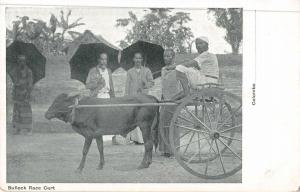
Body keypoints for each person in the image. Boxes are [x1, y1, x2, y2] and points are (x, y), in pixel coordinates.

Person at [85, 52, 118, 144]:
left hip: (107, 96)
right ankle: (98, 137)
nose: (104, 61)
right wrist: (97, 83)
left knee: (109, 116)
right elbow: (87, 85)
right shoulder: (93, 71)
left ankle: (111, 138)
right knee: (98, 118)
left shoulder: (109, 71)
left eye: (105, 59)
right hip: (97, 97)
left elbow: (111, 86)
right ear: (98, 60)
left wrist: (113, 99)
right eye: (102, 59)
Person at [125, 52, 154, 144]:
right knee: (134, 117)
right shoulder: (130, 72)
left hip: (143, 98)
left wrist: (145, 83)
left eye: (139, 58)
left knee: (142, 117)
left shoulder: (147, 71)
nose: (138, 60)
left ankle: (143, 139)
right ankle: (135, 139)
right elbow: (127, 85)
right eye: (136, 58)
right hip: (133, 98)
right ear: (133, 59)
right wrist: (127, 96)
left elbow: (151, 82)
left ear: (142, 60)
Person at [158, 49, 181, 157]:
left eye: (168, 56)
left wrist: (176, 99)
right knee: (163, 123)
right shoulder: (162, 69)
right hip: (164, 100)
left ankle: (173, 149)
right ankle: (164, 149)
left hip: (174, 99)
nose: (166, 58)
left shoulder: (178, 69)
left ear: (173, 57)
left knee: (173, 124)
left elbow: (180, 86)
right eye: (164, 56)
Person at [12, 55, 33, 135]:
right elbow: (15, 82)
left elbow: (30, 84)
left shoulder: (29, 71)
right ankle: (18, 129)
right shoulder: (16, 71)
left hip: (25, 94)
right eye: (19, 61)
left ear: (25, 62)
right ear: (18, 62)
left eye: (23, 61)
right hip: (17, 94)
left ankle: (29, 129)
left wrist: (27, 91)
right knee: (17, 111)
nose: (21, 62)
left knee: (26, 112)